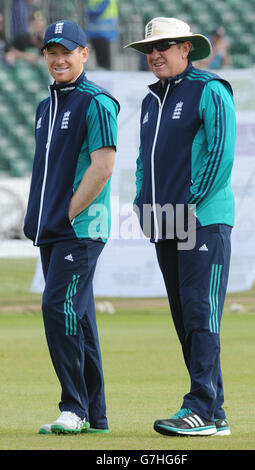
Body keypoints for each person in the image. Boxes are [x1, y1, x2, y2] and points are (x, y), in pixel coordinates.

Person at [125, 17, 236, 436]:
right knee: (186, 318)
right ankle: (215, 412)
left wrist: (187, 205)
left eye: (165, 46)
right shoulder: (152, 100)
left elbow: (221, 154)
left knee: (199, 312)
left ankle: (201, 408)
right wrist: (143, 203)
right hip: (165, 222)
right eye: (150, 49)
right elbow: (142, 162)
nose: (155, 54)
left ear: (186, 48)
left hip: (202, 220)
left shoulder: (210, 89)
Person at [23, 19, 120, 434]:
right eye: (51, 51)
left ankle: (73, 408)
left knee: (55, 306)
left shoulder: (97, 101)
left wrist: (65, 214)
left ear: (84, 53)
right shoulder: (47, 106)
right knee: (78, 318)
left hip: (80, 228)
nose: (59, 58)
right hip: (53, 228)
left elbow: (102, 168)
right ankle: (95, 415)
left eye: (68, 51)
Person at [85, 0, 119, 69]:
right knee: (98, 58)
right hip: (94, 31)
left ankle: (105, 69)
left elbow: (99, 10)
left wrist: (92, 13)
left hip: (105, 32)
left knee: (105, 60)